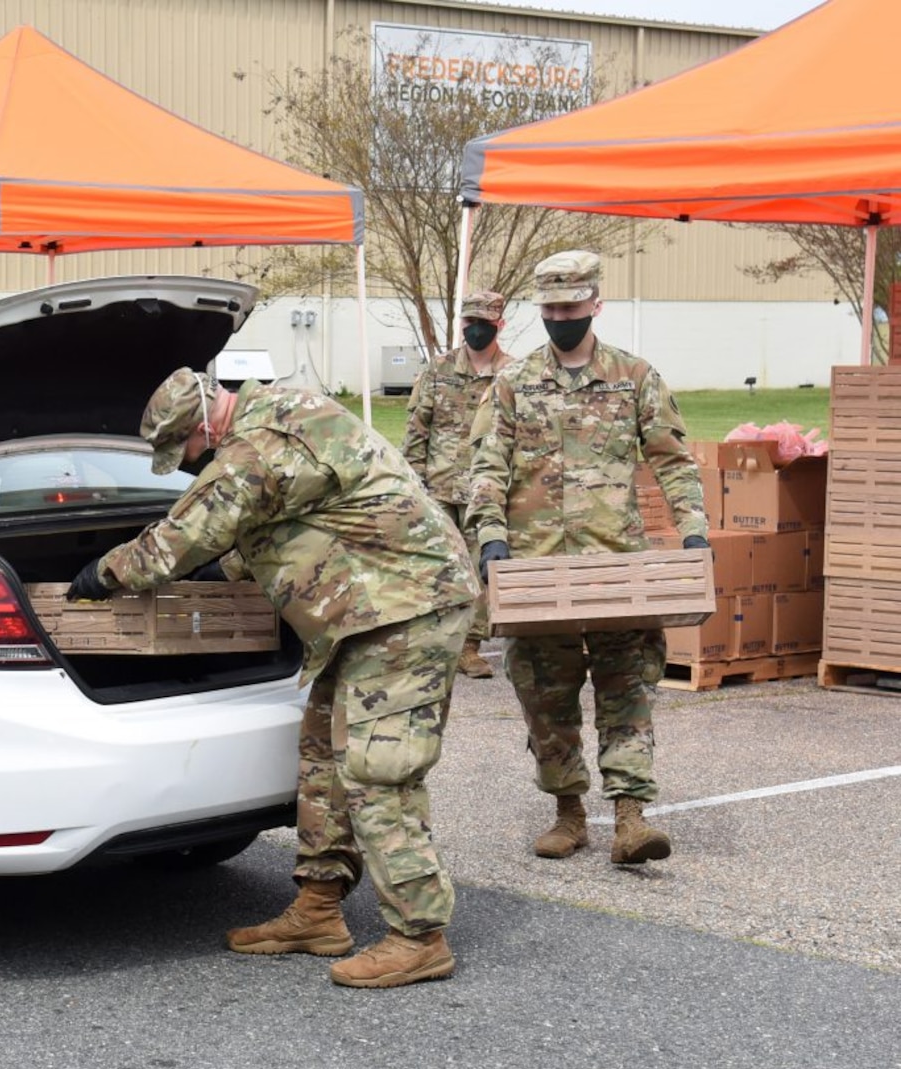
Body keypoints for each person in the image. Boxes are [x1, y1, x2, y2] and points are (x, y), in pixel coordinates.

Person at [65, 367, 480, 988]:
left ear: (206, 421)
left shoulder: (257, 446)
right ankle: (317, 910)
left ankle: (419, 936)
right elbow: (290, 513)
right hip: (367, 607)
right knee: (320, 753)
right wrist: (227, 571)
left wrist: (106, 574)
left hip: (407, 606)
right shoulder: (280, 415)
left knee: (378, 771)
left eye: (188, 452)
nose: (187, 466)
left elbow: (183, 536)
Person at [465, 251, 709, 865]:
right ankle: (569, 812)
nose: (559, 318)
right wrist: (490, 535)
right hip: (536, 570)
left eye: (570, 308)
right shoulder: (513, 384)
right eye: (549, 309)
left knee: (627, 687)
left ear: (595, 305)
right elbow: (486, 468)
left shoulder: (634, 376)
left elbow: (674, 463)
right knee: (546, 695)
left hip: (617, 567)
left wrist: (694, 535)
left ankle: (631, 816)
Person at [401, 289, 515, 679]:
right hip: (438, 487)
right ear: (461, 324)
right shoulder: (438, 370)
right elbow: (417, 430)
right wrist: (413, 483)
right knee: (435, 566)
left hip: (485, 490)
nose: (476, 331)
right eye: (470, 324)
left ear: (500, 325)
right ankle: (432, 642)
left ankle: (469, 645)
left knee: (480, 569)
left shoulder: (513, 374)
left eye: (485, 324)